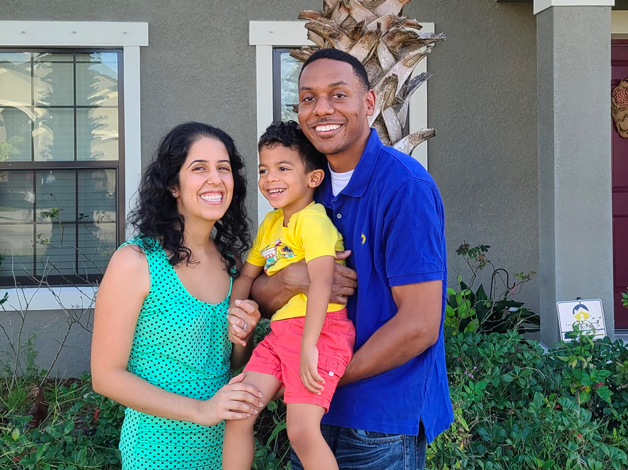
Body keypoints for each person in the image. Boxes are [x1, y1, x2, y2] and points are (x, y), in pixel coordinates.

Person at [251, 48, 454, 470]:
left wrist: (322, 375)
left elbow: (419, 325)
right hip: (311, 411)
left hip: (379, 421)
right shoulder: (302, 190)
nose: (321, 108)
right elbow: (262, 295)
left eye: (338, 94)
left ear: (369, 103)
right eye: (308, 98)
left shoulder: (405, 188)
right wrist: (294, 278)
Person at [91, 122, 265, 470]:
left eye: (223, 168)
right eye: (199, 168)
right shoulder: (136, 262)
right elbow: (106, 376)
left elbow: (230, 363)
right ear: (173, 185)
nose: (215, 179)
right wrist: (202, 410)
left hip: (224, 451)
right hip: (155, 453)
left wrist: (243, 336)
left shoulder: (232, 264)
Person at [222, 121, 355, 470]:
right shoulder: (270, 225)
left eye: (283, 168)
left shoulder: (313, 221)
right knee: (238, 412)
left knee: (302, 431)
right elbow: (247, 275)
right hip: (280, 335)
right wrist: (234, 314)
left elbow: (322, 283)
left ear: (313, 178)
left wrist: (309, 345)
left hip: (320, 332)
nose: (270, 178)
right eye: (264, 169)